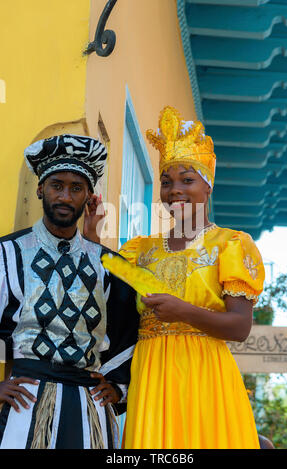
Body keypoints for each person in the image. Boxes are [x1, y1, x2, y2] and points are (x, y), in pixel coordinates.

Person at [93, 106, 265, 449]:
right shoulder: (141, 250)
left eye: (188, 180)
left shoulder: (231, 244)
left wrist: (183, 311)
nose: (175, 191)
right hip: (151, 373)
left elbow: (239, 328)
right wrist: (93, 240)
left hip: (205, 373)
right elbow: (101, 292)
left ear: (208, 187)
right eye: (167, 182)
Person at [0, 134, 139, 449]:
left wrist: (118, 387)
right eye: (56, 185)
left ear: (89, 196)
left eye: (76, 188)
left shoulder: (112, 267)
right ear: (40, 189)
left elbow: (132, 333)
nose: (64, 196)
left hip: (90, 408)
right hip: (24, 405)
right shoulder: (7, 253)